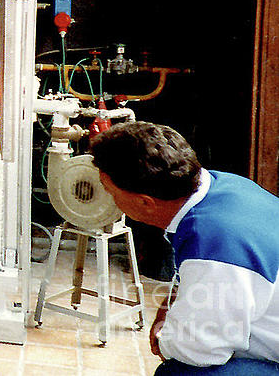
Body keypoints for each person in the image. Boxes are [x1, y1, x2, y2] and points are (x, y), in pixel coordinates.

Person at [90, 121, 279, 375]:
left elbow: (199, 350)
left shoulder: (215, 246)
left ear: (146, 202)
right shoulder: (221, 187)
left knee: (179, 372)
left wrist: (166, 338)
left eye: (111, 192)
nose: (111, 200)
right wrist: (171, 304)